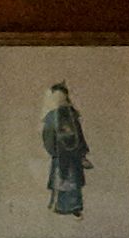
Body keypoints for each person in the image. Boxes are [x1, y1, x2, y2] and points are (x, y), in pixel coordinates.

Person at [38, 79, 91, 220]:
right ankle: (58, 207)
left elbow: (79, 134)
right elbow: (47, 136)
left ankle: (75, 208)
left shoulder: (73, 115)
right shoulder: (51, 118)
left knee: (74, 183)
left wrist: (82, 154)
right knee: (60, 182)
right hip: (60, 156)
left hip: (74, 156)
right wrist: (54, 152)